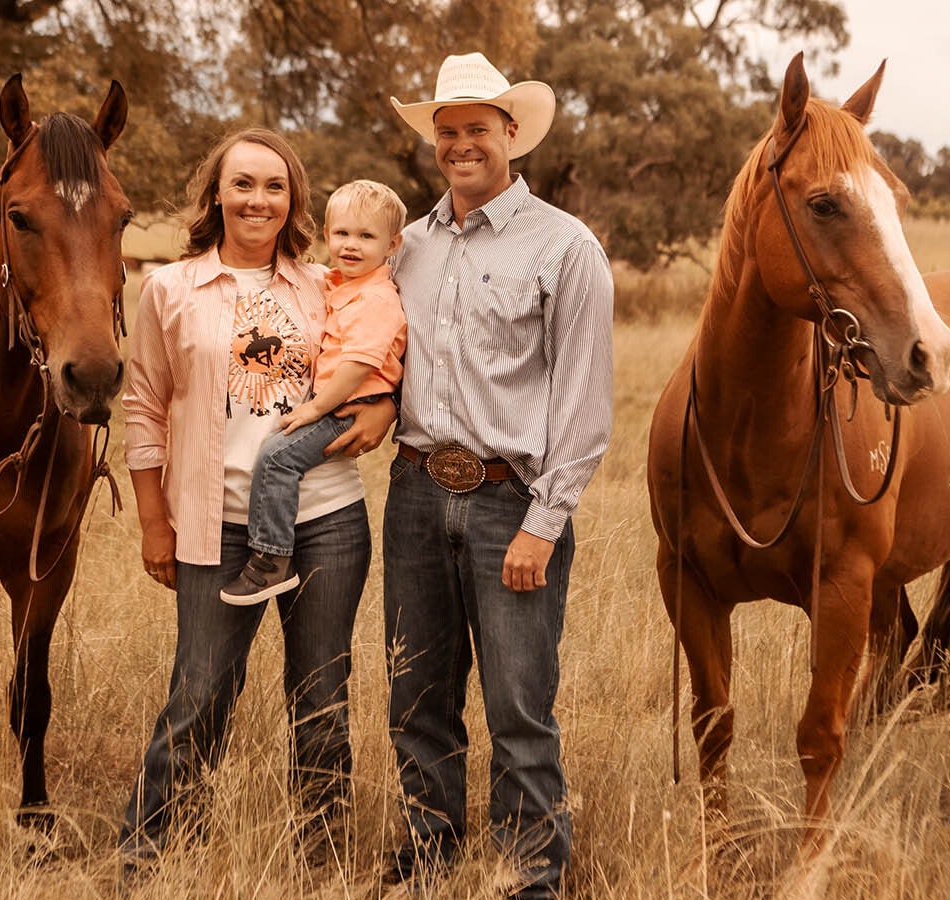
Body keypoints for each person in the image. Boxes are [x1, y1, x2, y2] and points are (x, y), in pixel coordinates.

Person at [378, 51, 615, 897]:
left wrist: (543, 524)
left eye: (477, 127)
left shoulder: (564, 246)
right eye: (448, 131)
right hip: (411, 493)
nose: (460, 143)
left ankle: (532, 878)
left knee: (520, 710)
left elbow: (584, 404)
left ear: (512, 133)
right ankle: (425, 862)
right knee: (416, 697)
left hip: (507, 501)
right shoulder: (404, 246)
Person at [117, 127, 385, 873]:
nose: (258, 199)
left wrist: (384, 408)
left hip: (326, 519)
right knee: (199, 694)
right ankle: (150, 858)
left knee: (322, 697)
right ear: (217, 194)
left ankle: (320, 861)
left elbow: (375, 359)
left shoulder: (325, 286)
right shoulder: (169, 289)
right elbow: (141, 407)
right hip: (216, 523)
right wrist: (151, 520)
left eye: (274, 186)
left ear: (293, 198)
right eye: (243, 184)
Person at [221, 179, 408, 605]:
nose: (351, 245)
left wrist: (315, 408)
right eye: (341, 233)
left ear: (392, 244)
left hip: (347, 408)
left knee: (276, 457)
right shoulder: (341, 284)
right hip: (336, 404)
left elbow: (359, 364)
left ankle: (270, 559)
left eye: (366, 236)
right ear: (326, 235)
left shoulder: (376, 298)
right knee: (278, 456)